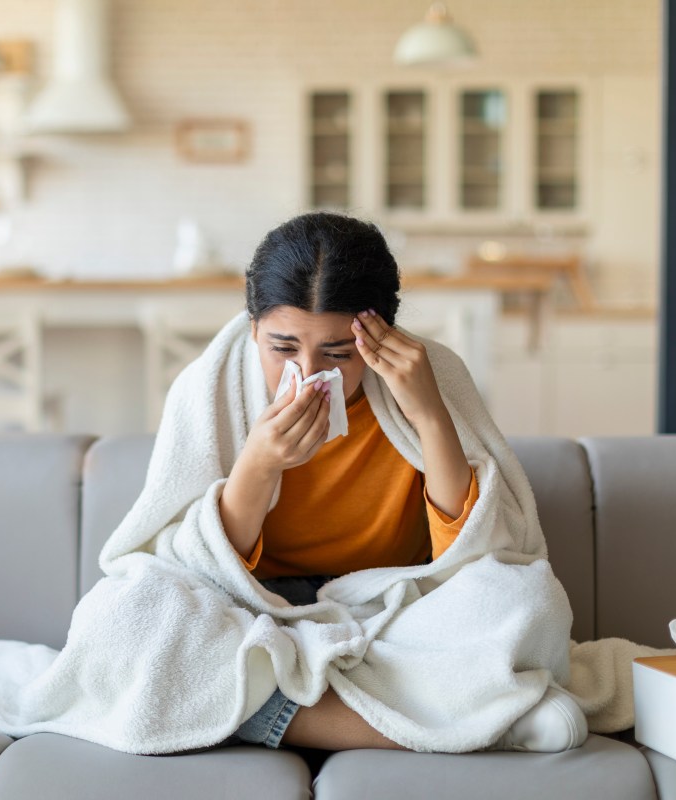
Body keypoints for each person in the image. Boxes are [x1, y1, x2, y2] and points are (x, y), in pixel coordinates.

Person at [217, 211, 584, 752]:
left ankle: (266, 710)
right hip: (256, 611)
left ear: (380, 333)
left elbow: (474, 556)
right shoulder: (218, 382)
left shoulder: (427, 374)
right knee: (131, 617)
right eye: (283, 348)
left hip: (394, 611)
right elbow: (198, 562)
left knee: (531, 600)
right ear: (253, 329)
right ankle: (488, 722)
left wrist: (430, 414)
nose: (309, 372)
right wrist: (258, 465)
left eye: (339, 354)